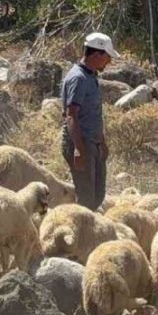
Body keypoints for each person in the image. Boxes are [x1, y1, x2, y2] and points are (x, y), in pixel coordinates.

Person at [61, 32, 119, 211]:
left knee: (97, 195)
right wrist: (78, 149)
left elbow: (92, 114)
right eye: (107, 57)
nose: (108, 62)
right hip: (81, 142)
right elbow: (71, 115)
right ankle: (82, 234)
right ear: (96, 54)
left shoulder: (91, 76)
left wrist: (102, 141)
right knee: (86, 198)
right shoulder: (78, 78)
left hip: (93, 142)